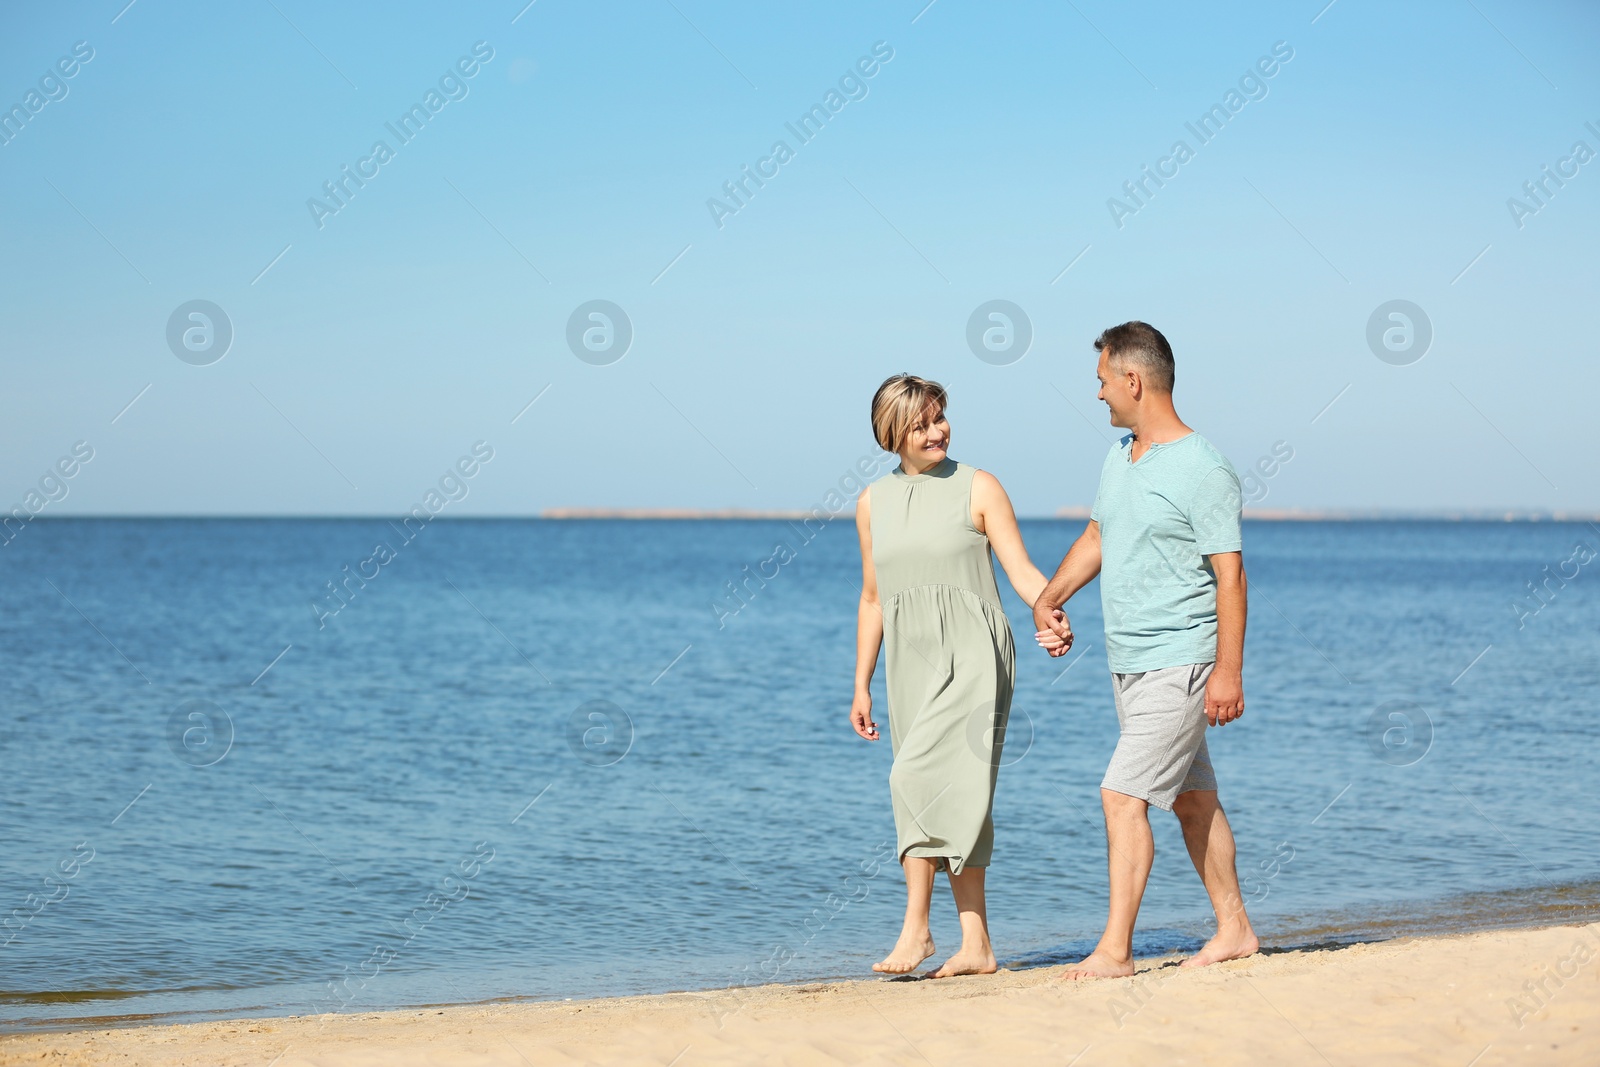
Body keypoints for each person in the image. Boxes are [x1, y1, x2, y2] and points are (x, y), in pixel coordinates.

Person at [1033, 321, 1259, 979]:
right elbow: (1099, 535)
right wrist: (1052, 596)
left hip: (1182, 661)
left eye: (1103, 380)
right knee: (1192, 799)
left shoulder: (1204, 466)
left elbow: (1230, 574)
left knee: (1121, 795)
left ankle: (1115, 950)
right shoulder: (1119, 456)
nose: (1099, 394)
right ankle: (1236, 928)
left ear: (1132, 379)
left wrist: (1227, 670)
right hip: (1127, 662)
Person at [851, 373, 1053, 978]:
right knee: (954, 790)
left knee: (915, 778)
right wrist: (860, 682)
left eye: (940, 417)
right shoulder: (871, 503)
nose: (937, 431)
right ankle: (978, 945)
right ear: (893, 434)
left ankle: (916, 929)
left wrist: (1050, 610)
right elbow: (871, 598)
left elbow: (1020, 569)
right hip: (908, 660)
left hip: (974, 651)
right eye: (921, 424)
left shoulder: (978, 486)